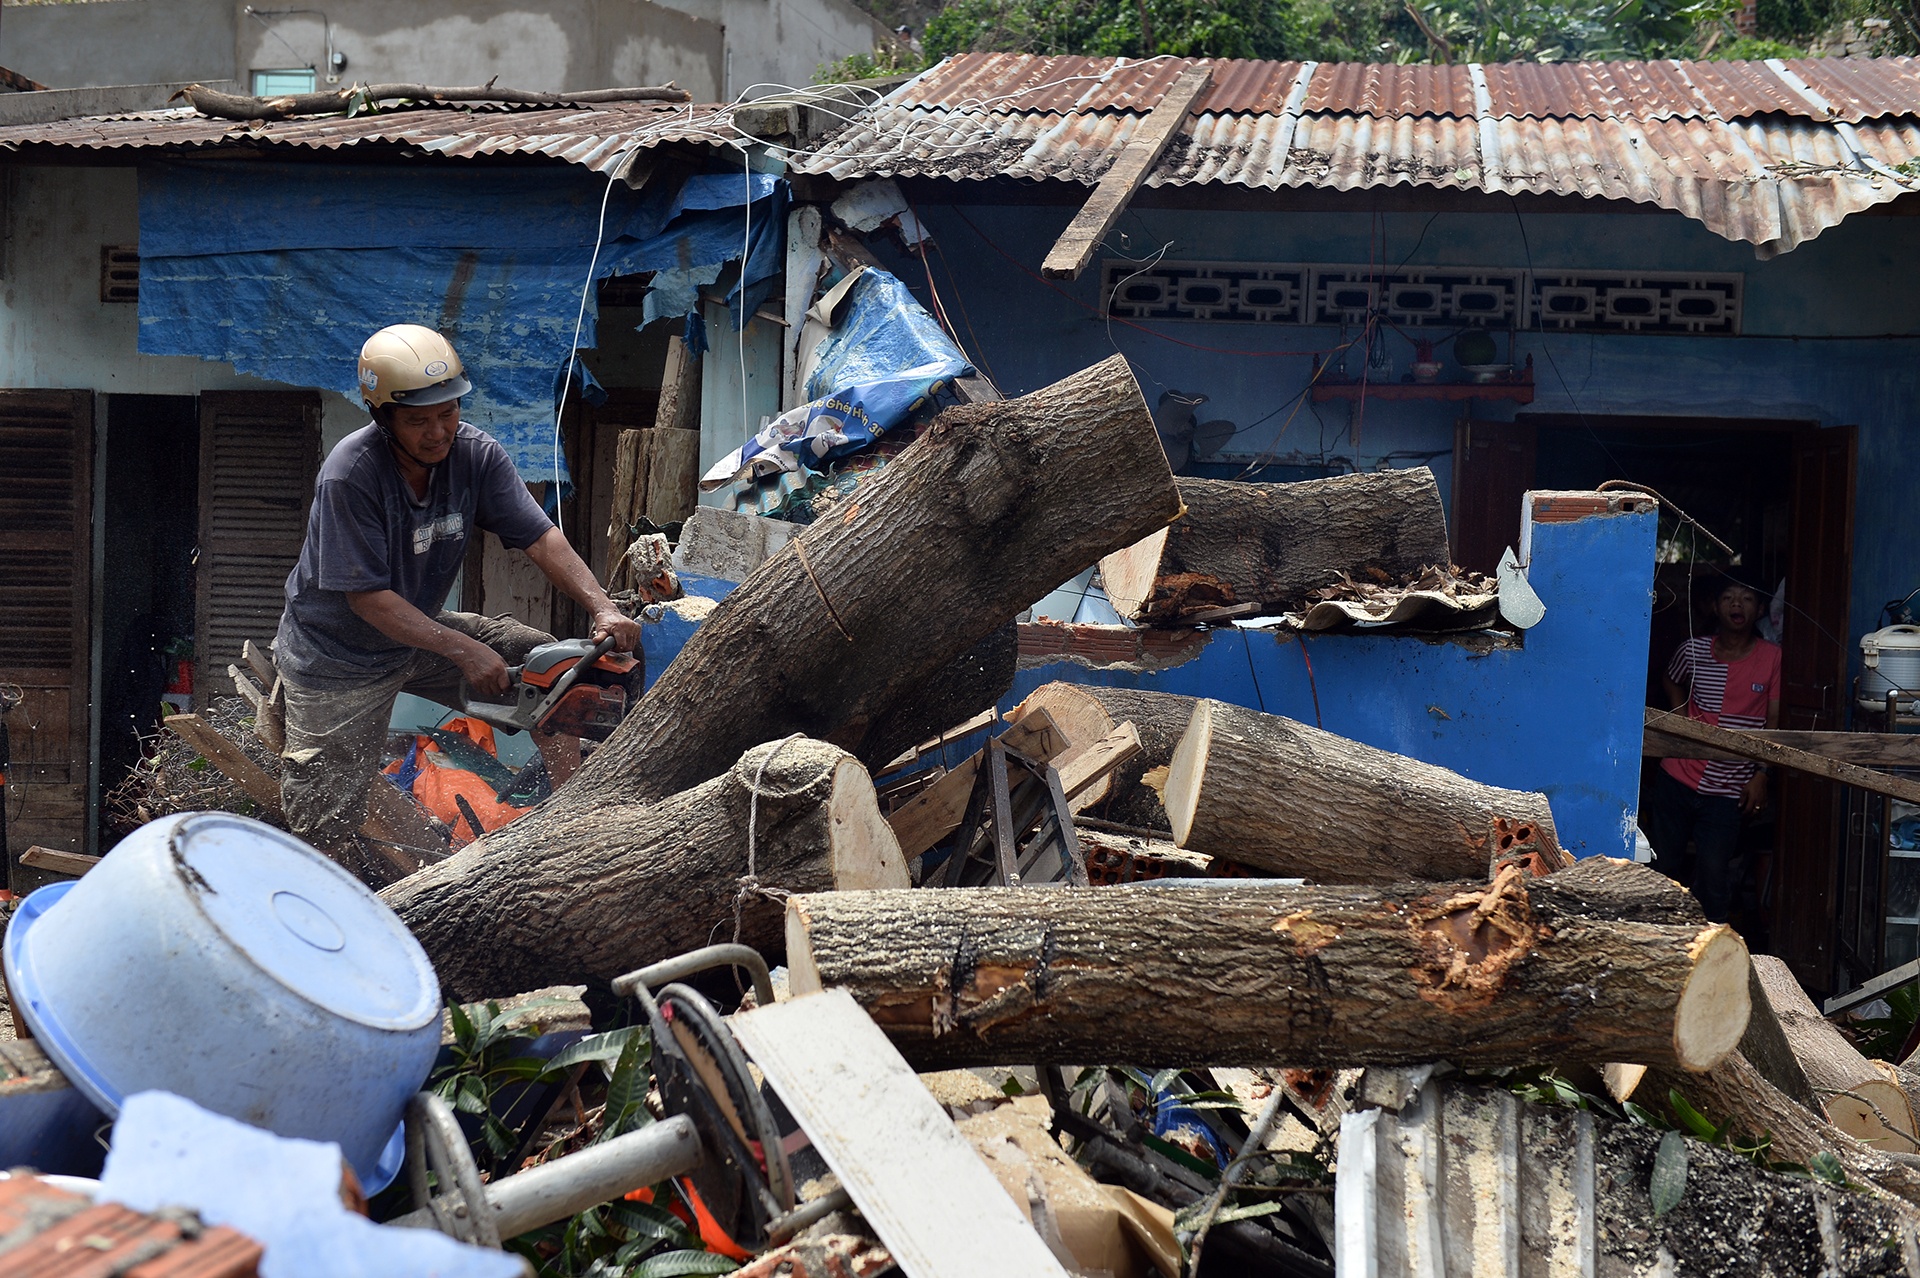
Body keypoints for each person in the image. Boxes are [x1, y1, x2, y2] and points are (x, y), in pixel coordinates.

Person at [273, 324, 640, 867]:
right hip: (337, 656)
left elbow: (541, 537)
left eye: (446, 412)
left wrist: (602, 606)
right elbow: (369, 601)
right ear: (383, 418)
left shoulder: (476, 456)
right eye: (419, 420)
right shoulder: (351, 476)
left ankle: (571, 820)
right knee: (324, 810)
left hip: (416, 630)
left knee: (547, 667)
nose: (438, 431)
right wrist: (464, 651)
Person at [1642, 576, 1782, 922]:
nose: (1737, 604)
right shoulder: (1693, 650)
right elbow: (1670, 678)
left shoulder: (1772, 657)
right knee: (1664, 867)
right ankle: (1657, 938)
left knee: (1713, 876)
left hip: (1729, 787)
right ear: (1716, 607)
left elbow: (1774, 723)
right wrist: (1681, 715)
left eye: (1747, 598)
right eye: (1729, 598)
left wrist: (1762, 775)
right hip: (1677, 775)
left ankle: (1711, 951)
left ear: (1760, 609)